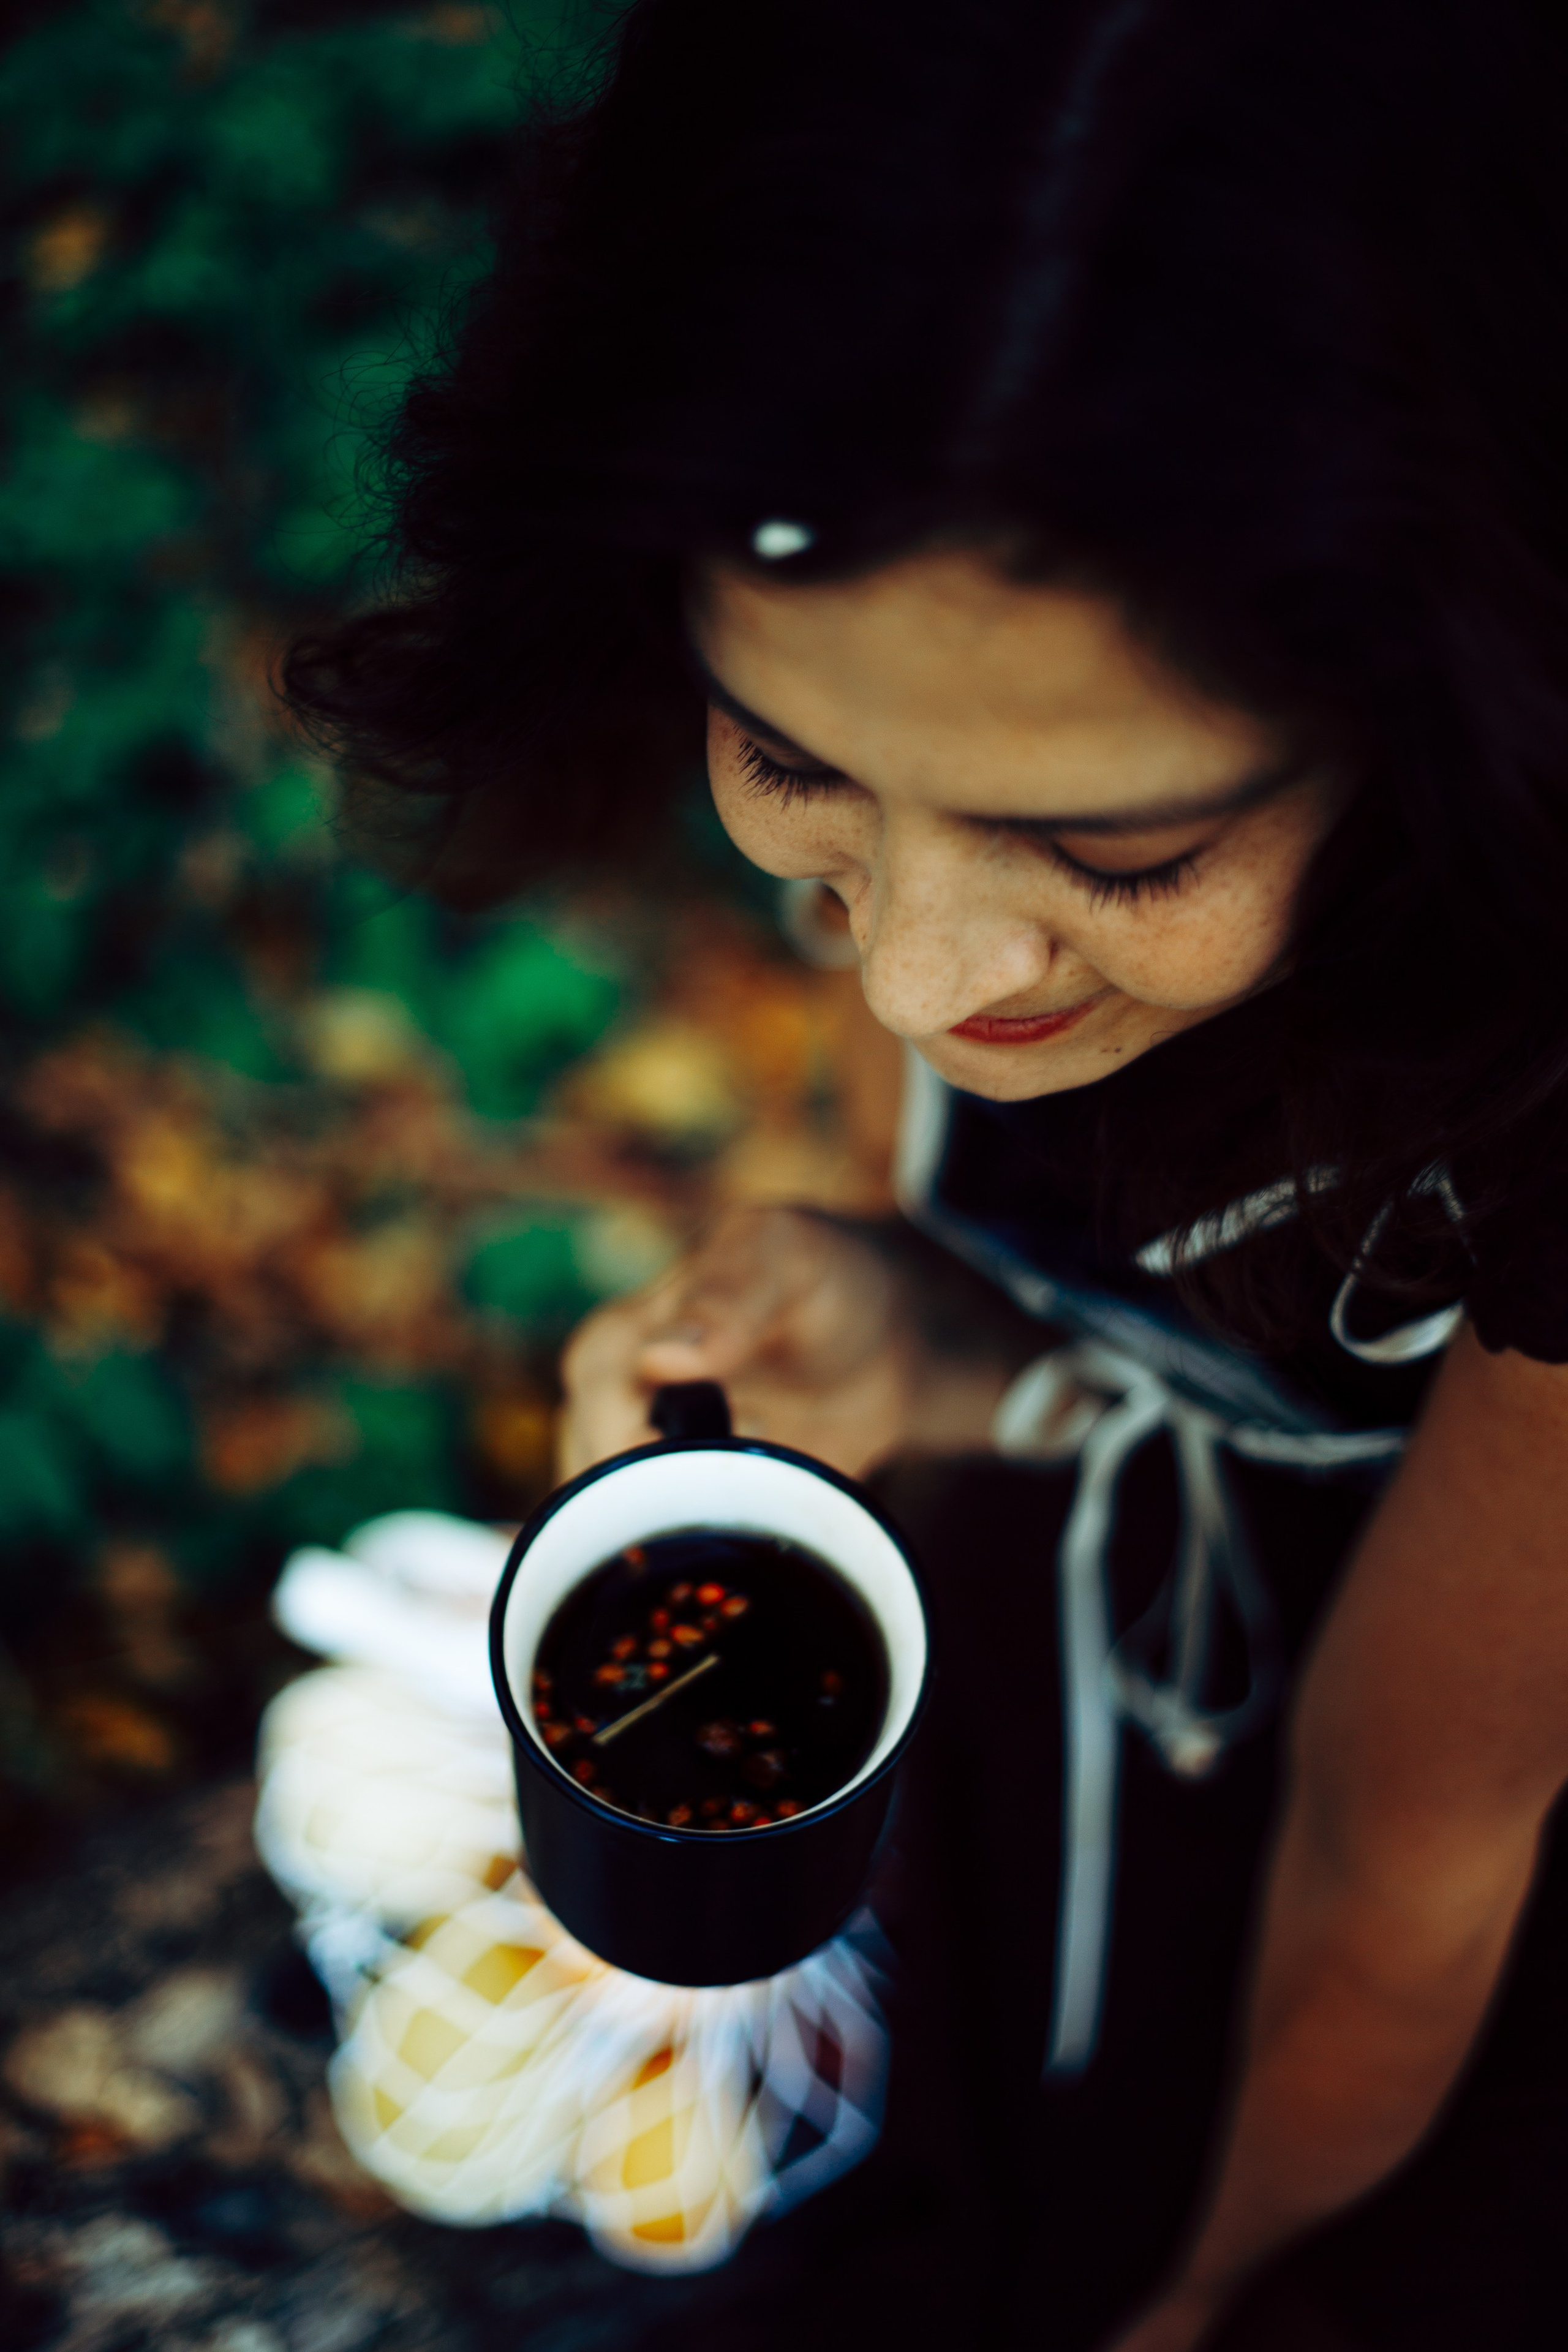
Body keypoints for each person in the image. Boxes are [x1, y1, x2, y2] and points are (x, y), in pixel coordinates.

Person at [284, 1, 1568, 2343]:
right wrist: (941, 1329)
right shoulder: (947, 681)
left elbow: (1413, 1861)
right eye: (785, 761)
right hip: (1086, 1716)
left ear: (1472, 715)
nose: (914, 973)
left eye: (1121, 851)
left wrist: (1185, 2306)